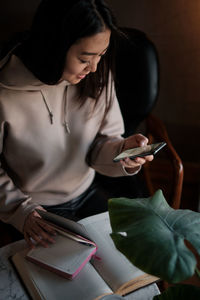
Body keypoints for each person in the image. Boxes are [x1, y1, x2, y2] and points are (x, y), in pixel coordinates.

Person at [0, 0, 153, 248]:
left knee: (133, 259)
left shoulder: (97, 75)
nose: (94, 68)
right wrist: (21, 211)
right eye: (85, 58)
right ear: (54, 47)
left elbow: (102, 145)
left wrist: (121, 151)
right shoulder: (4, 92)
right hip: (35, 210)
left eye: (101, 55)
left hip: (87, 191)